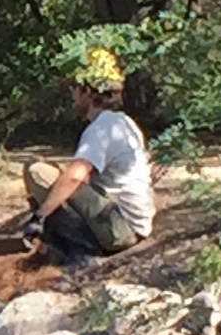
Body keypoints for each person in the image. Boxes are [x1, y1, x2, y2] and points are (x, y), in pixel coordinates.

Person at [24, 49, 155, 263]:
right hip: (136, 226)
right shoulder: (124, 123)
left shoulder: (101, 129)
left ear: (87, 91)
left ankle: (79, 249)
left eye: (74, 90)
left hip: (119, 228)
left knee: (37, 171)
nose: (73, 97)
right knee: (58, 177)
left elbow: (75, 176)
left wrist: (39, 216)